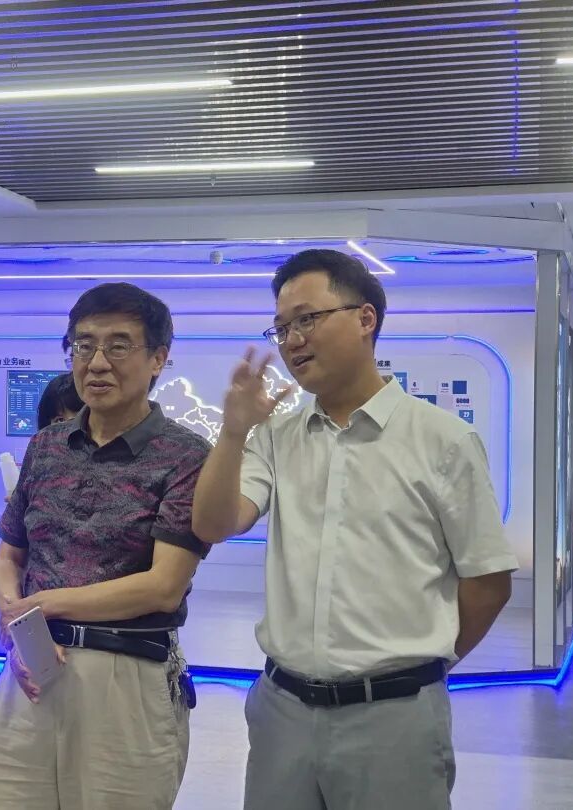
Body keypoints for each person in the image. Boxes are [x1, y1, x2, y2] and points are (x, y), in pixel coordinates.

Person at [192, 249, 518, 810]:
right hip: (283, 712)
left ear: (366, 318)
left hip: (395, 719)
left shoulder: (442, 440)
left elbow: (488, 581)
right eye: (282, 327)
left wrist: (421, 666)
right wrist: (234, 431)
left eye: (307, 319)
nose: (292, 341)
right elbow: (213, 523)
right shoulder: (277, 437)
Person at [0, 282, 211, 810]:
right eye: (83, 345)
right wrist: (19, 623)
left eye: (118, 346)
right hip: (32, 668)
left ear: (158, 359)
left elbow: (163, 586)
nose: (97, 363)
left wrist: (42, 604)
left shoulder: (185, 455)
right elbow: (9, 556)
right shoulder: (47, 446)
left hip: (125, 676)